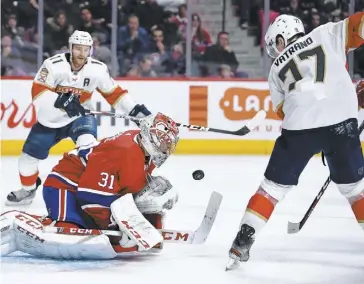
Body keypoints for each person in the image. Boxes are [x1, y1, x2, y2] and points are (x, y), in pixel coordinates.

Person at [226, 13, 364, 270]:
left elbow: (284, 110)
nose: (274, 51)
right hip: (342, 123)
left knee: (270, 190)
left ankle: (241, 242)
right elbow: (359, 25)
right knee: (356, 192)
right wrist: (356, 101)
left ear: (282, 38)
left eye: (274, 44)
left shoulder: (276, 68)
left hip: (300, 128)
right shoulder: (326, 33)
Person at [1, 113, 180, 259]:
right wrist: (113, 226)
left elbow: (124, 186)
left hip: (86, 186)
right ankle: (22, 222)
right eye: (163, 142)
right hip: (64, 186)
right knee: (70, 231)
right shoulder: (125, 151)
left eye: (167, 144)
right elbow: (91, 194)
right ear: (149, 136)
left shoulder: (142, 149)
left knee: (90, 227)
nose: (165, 148)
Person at [6, 30, 152, 206]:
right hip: (50, 120)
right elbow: (38, 94)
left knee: (88, 148)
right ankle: (28, 190)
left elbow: (114, 93)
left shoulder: (97, 69)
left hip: (80, 117)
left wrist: (133, 109)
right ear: (70, 48)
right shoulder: (53, 65)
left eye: (85, 49)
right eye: (78, 49)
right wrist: (61, 101)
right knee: (27, 159)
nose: (82, 54)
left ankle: (91, 191)